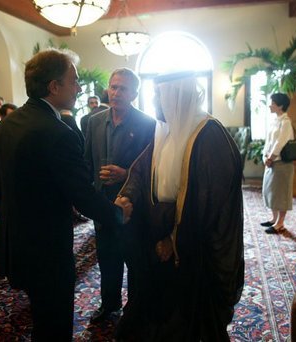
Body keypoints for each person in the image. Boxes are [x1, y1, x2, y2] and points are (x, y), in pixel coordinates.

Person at [0, 48, 130, 341]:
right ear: (54, 86)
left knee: (41, 316)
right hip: (47, 249)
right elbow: (82, 194)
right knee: (55, 323)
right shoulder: (57, 132)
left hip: (17, 242)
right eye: (74, 81)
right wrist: (117, 213)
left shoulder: (7, 125)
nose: (80, 88)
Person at [114, 71, 244, 341]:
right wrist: (127, 194)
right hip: (160, 238)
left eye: (157, 96)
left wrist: (174, 239)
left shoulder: (209, 136)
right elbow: (142, 168)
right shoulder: (167, 127)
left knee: (189, 321)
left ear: (175, 96)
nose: (154, 103)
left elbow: (210, 204)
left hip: (193, 250)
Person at [84, 68, 156, 323]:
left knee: (134, 259)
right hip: (103, 206)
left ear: (134, 93)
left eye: (123, 88)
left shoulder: (148, 124)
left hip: (132, 207)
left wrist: (125, 174)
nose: (116, 93)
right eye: (113, 87)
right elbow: (87, 162)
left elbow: (152, 169)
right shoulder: (93, 121)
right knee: (107, 259)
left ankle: (135, 309)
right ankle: (109, 304)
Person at [260, 93, 295, 234]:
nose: (270, 105)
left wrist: (271, 158)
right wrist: (265, 157)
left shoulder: (285, 122)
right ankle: (274, 219)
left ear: (280, 105)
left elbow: (280, 142)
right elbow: (268, 142)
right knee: (271, 191)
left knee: (281, 193)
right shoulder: (275, 120)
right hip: (271, 162)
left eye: (272, 103)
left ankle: (280, 223)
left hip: (281, 163)